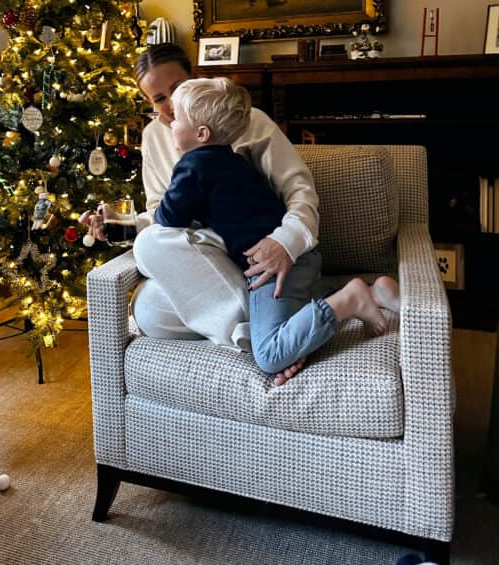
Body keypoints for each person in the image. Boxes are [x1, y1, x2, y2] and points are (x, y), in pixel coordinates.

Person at [81, 43, 396, 384]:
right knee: (147, 311)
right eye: (158, 99)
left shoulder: (245, 122)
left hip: (259, 253)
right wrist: (123, 224)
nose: (170, 105)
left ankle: (274, 339)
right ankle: (288, 327)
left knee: (149, 246)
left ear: (196, 79)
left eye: (176, 90)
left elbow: (300, 193)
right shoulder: (155, 137)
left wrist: (285, 244)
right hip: (208, 254)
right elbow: (162, 214)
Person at [152, 76, 399, 380]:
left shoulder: (191, 167)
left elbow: (168, 219)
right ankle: (375, 292)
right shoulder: (238, 161)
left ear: (202, 133)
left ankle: (351, 300)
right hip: (306, 259)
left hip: (272, 267)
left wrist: (160, 210)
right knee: (297, 312)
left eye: (175, 117)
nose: (168, 123)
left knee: (269, 356)